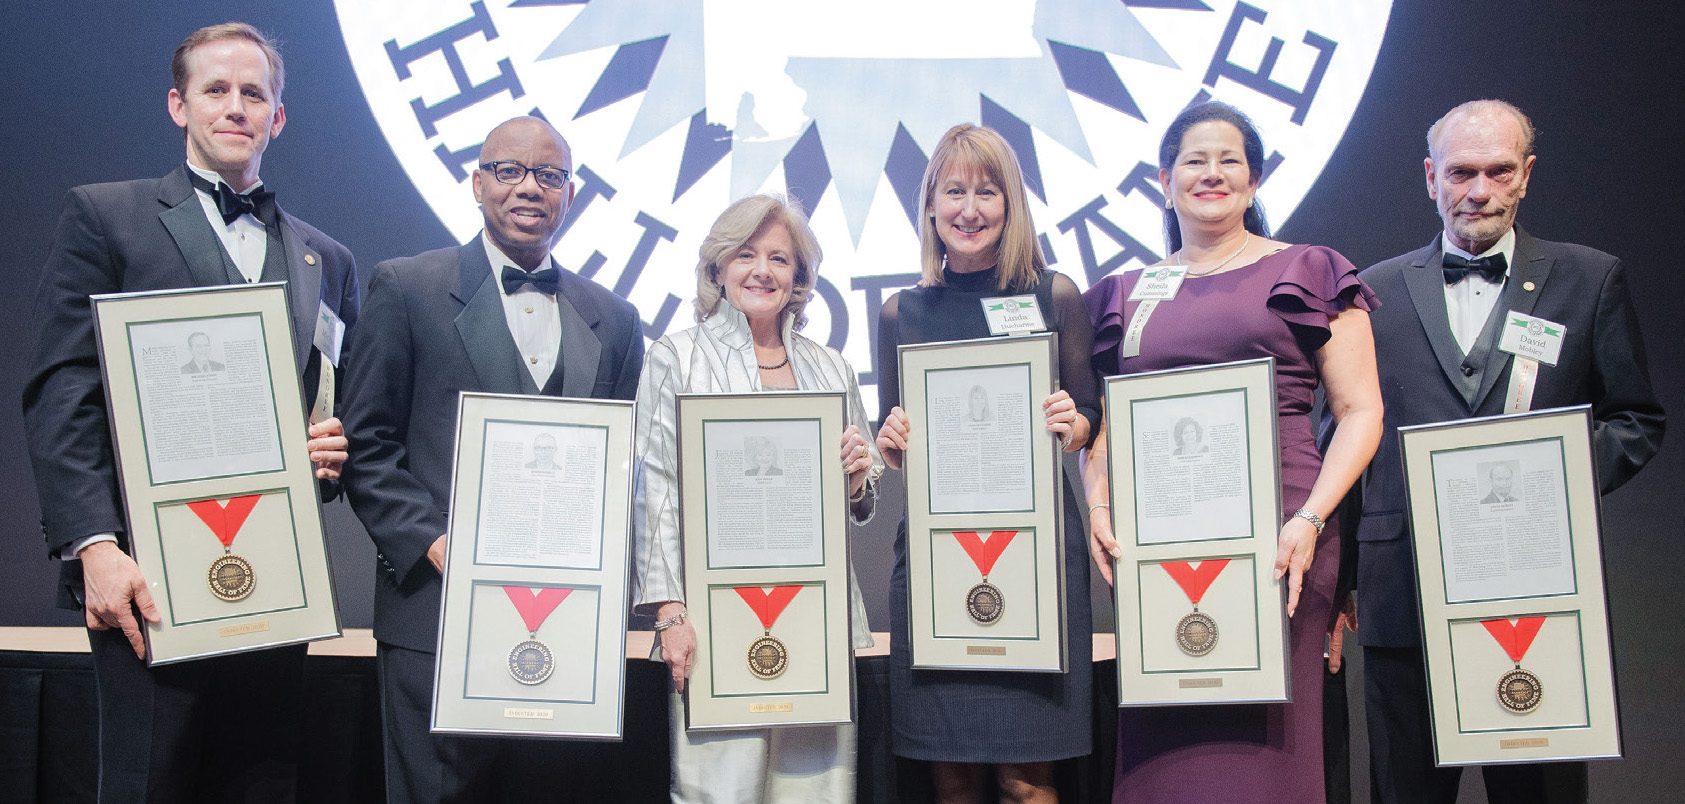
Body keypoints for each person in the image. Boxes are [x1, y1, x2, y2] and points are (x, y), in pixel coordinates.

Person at [20, 22, 357, 803]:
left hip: (276, 573)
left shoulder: (326, 258)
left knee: (261, 782)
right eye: (215, 89)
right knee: (151, 780)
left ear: (278, 116)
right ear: (178, 105)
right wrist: (93, 546)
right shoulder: (109, 218)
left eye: (254, 93)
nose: (235, 107)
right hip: (147, 573)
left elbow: (330, 402)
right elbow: (62, 388)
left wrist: (330, 452)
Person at [1346, 99, 1664, 804]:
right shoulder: (1370, 292)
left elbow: (1636, 419)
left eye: (1497, 171)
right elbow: (1341, 436)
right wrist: (1340, 579)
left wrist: (1550, 487)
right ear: (1431, 177)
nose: (1478, 190)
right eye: (1461, 172)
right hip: (1404, 594)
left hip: (1539, 590)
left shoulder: (1589, 279)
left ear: (1525, 176)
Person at [1081, 101, 1383, 804]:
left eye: (1228, 160)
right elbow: (1102, 425)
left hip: (1282, 537)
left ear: (1253, 179)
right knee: (1165, 744)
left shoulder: (1309, 268)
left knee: (1271, 746)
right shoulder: (1125, 294)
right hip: (1158, 543)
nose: (1211, 173)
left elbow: (1360, 410)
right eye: (1194, 159)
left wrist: (1309, 519)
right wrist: (1096, 502)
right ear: (1163, 179)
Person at [339, 115, 645, 803]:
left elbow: (616, 471)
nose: (529, 187)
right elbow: (367, 444)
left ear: (569, 195)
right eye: (509, 170)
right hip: (437, 613)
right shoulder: (408, 287)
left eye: (549, 174)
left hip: (564, 621)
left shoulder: (615, 318)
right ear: (478, 183)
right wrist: (435, 544)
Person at [631, 193, 883, 804]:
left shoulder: (831, 369)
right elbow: (654, 488)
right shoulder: (676, 356)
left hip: (816, 617)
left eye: (779, 258)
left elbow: (863, 493)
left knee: (815, 793)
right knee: (719, 792)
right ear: (718, 267)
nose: (762, 271)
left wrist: (856, 477)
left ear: (799, 277)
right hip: (714, 619)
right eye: (746, 255)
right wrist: (670, 614)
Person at [874, 124, 1098, 804]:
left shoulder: (1052, 294)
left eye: (986, 190)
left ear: (1011, 204)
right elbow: (896, 438)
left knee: (1028, 784)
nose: (969, 209)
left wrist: (1072, 422)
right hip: (939, 561)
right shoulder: (898, 313)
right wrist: (890, 441)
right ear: (930, 207)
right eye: (954, 191)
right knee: (953, 781)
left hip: (1033, 560)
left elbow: (1088, 414)